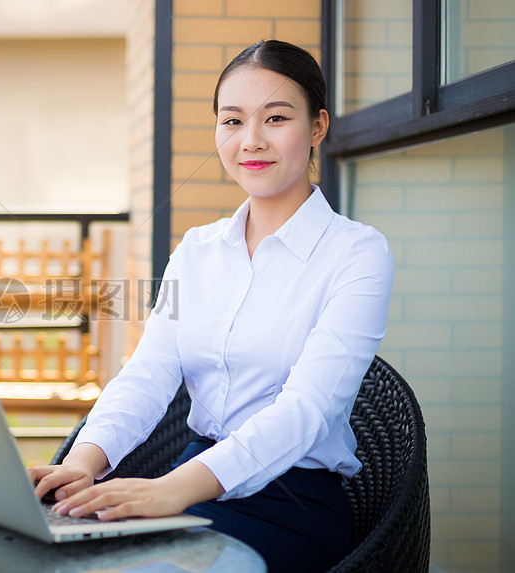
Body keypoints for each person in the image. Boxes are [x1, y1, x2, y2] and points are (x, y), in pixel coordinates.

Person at [28, 39, 394, 573]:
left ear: (317, 127)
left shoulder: (358, 253)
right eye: (232, 121)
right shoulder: (197, 250)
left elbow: (307, 412)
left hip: (290, 503)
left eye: (275, 118)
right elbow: (149, 373)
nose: (251, 141)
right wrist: (84, 463)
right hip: (187, 480)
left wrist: (171, 490)